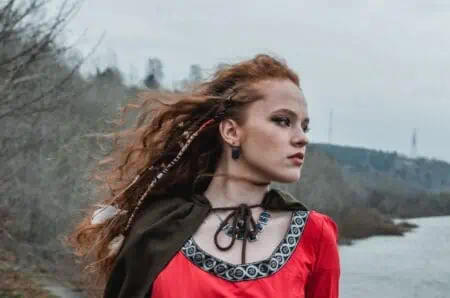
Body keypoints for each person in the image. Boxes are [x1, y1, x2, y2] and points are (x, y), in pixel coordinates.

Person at [69, 54, 340, 298]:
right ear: (232, 132)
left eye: (304, 126)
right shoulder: (158, 229)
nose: (302, 138)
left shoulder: (314, 235)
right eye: (282, 120)